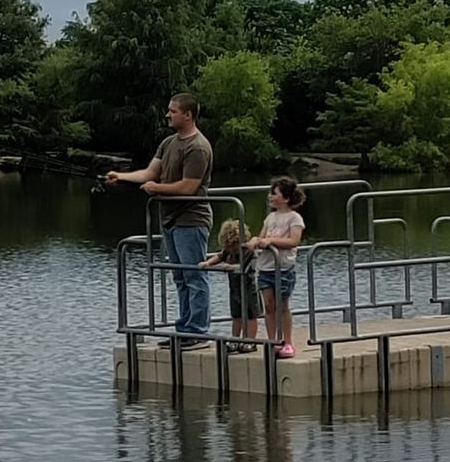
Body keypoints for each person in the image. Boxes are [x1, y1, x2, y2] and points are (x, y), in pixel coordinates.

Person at [106, 93, 213, 350]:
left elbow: (189, 187)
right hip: (171, 220)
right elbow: (149, 173)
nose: (168, 115)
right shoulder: (168, 143)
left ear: (188, 114)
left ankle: (197, 332)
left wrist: (156, 188)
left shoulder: (197, 146)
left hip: (192, 219)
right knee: (179, 277)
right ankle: (184, 329)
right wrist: (120, 176)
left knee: (194, 275)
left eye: (173, 111)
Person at [248, 177, 305, 358]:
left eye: (274, 193)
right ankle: (274, 340)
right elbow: (261, 236)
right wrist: (255, 241)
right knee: (269, 305)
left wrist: (271, 241)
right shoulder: (270, 217)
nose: (270, 196)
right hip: (265, 268)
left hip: (283, 268)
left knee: (283, 305)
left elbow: (294, 241)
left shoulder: (294, 218)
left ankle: (287, 341)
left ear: (286, 198)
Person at [199, 219, 259, 354]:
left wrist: (229, 267)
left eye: (234, 245)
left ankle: (250, 341)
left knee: (250, 315)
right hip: (235, 288)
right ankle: (235, 339)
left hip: (249, 287)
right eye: (229, 246)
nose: (231, 249)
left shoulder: (248, 251)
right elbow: (220, 256)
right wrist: (208, 263)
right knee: (236, 314)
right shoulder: (228, 251)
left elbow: (245, 267)